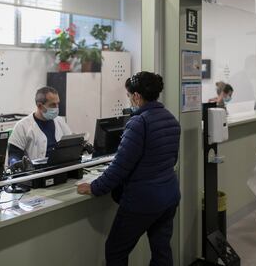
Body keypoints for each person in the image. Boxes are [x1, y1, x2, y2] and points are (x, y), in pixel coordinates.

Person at [77, 71, 181, 266]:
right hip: (169, 195)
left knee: (115, 251)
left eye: (128, 95)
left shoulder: (138, 123)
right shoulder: (170, 118)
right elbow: (171, 158)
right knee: (162, 250)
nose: (129, 100)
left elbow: (120, 167)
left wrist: (94, 187)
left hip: (143, 200)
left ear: (136, 96)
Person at [8, 86, 71, 163]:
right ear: (40, 106)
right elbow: (14, 154)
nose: (57, 108)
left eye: (58, 104)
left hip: (60, 168)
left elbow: (71, 144)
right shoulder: (22, 126)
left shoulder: (60, 121)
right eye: (53, 105)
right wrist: (16, 163)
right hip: (36, 173)